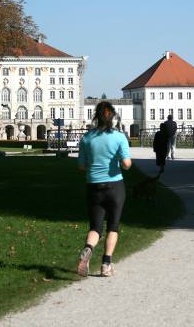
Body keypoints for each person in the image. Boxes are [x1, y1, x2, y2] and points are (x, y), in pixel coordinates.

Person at [76, 101, 132, 278]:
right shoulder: (119, 137)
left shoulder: (87, 138)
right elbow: (126, 164)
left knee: (95, 227)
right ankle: (106, 265)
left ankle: (88, 248)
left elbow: (81, 166)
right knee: (113, 226)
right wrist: (120, 160)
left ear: (96, 117)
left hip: (93, 186)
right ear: (112, 117)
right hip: (115, 186)